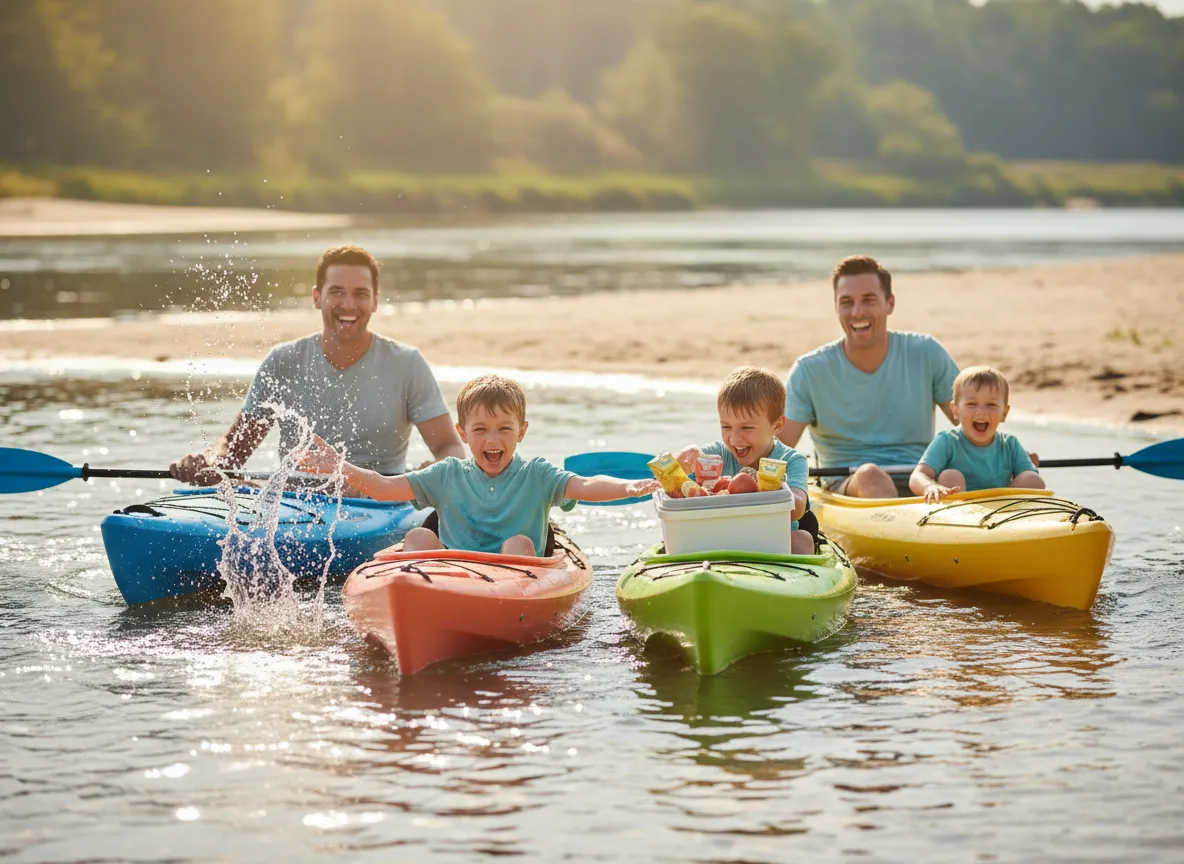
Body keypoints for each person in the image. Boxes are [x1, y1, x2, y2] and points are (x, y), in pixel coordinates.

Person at [170, 245, 465, 486]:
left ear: (375, 301)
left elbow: (450, 449)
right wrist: (208, 461)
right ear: (317, 297)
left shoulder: (407, 364)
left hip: (378, 506)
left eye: (361, 294)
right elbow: (233, 452)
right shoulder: (282, 362)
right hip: (293, 505)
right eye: (336, 292)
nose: (349, 304)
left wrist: (436, 471)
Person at [297, 374, 658, 556]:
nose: (492, 440)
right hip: (454, 578)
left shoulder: (538, 474)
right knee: (419, 537)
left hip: (516, 582)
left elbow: (586, 486)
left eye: (504, 429)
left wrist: (637, 485)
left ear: (522, 433)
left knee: (517, 543)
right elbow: (385, 488)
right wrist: (341, 466)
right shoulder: (447, 473)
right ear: (462, 434)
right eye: (481, 429)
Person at [779, 255, 960, 499]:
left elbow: (971, 421)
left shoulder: (927, 352)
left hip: (923, 481)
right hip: (849, 487)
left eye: (868, 300)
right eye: (847, 302)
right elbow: (778, 448)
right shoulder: (809, 370)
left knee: (953, 476)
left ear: (890, 303)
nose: (857, 312)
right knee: (871, 476)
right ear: (836, 307)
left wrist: (1014, 458)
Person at [676, 366, 814, 554]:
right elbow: (685, 468)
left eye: (747, 428)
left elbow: (797, 508)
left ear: (777, 425)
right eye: (726, 426)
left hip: (773, 544)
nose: (734, 438)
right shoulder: (718, 455)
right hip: (720, 541)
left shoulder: (791, 460)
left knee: (802, 540)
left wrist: (768, 488)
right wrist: (688, 454)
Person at [909, 366, 1044, 502]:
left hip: (1002, 509)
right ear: (956, 410)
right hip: (957, 511)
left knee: (1031, 479)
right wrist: (930, 486)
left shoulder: (1010, 444)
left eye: (991, 404)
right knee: (950, 476)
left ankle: (1025, 518)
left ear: (1004, 413)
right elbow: (917, 476)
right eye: (971, 404)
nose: (981, 411)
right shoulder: (947, 441)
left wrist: (1026, 471)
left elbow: (1031, 480)